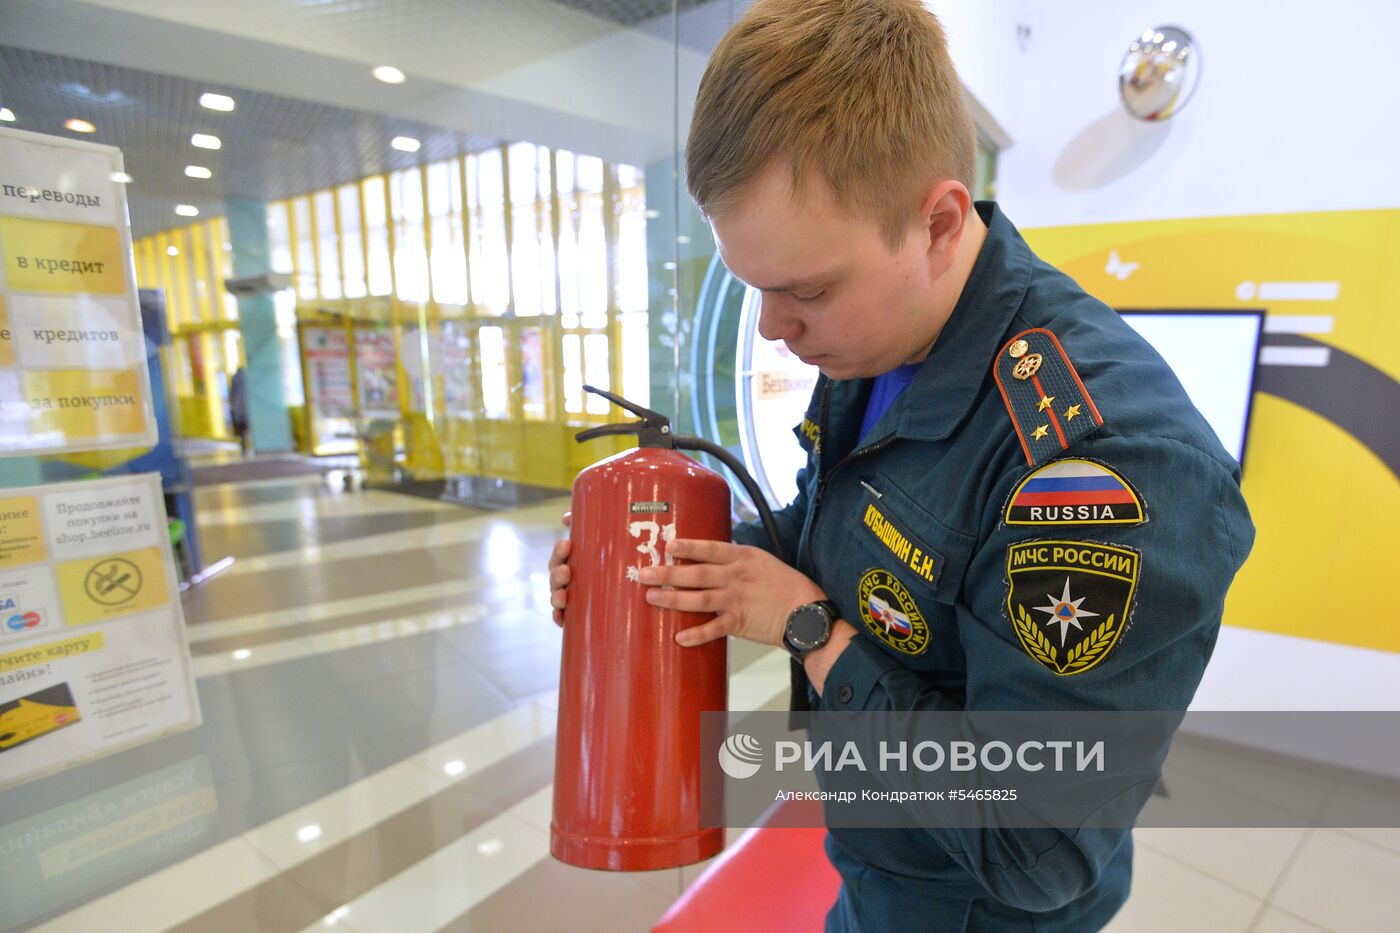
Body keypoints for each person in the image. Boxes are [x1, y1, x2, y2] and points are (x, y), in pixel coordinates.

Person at [550, 1, 1254, 929]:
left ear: (937, 222)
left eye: (806, 289)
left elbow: (1032, 844)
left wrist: (809, 630)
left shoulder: (1100, 465)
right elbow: (837, 537)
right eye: (754, 286)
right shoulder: (878, 345)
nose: (774, 328)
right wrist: (671, 561)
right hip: (880, 860)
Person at [229, 365, 249, 455]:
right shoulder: (248, 376)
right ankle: (251, 444)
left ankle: (243, 446)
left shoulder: (235, 378)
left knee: (241, 429)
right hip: (248, 407)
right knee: (248, 426)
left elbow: (232, 394)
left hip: (238, 407)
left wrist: (233, 404)